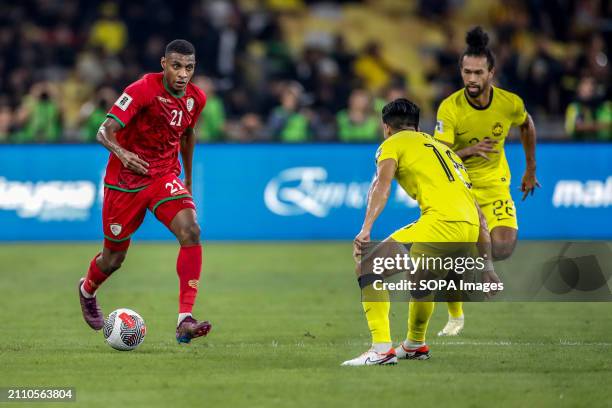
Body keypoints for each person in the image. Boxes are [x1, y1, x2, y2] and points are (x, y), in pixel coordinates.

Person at [342, 98, 498, 366]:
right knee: (422, 279)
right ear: (416, 125)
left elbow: (382, 184)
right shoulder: (446, 152)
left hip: (441, 224)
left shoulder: (392, 144)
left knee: (368, 267)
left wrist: (366, 228)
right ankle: (414, 345)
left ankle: (380, 350)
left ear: (386, 127)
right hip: (469, 230)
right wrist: (487, 266)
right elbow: (481, 218)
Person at [77, 39, 212, 344]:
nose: (182, 74)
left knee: (190, 231)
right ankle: (87, 290)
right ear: (164, 64)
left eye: (189, 68)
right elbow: (104, 130)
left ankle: (184, 321)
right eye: (176, 66)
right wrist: (122, 153)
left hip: (162, 175)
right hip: (124, 181)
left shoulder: (195, 99)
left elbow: (187, 134)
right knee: (113, 260)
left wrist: (187, 178)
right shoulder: (142, 89)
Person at [433, 27, 539, 337]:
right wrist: (469, 150)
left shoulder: (509, 103)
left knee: (503, 247)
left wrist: (530, 169)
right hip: (460, 188)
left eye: (478, 72)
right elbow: (440, 156)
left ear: (491, 72)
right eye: (466, 72)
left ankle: (478, 262)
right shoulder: (450, 108)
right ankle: (455, 316)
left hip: (494, 185)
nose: (471, 79)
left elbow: (527, 124)